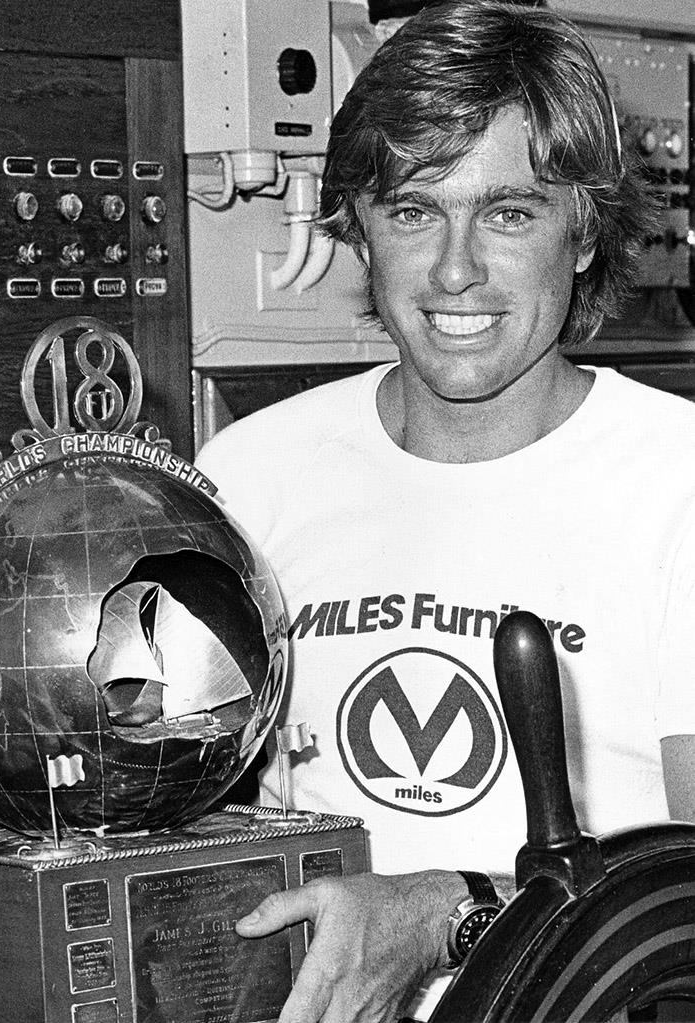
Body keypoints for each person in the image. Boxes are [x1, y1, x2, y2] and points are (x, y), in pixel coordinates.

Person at [195, 2, 695, 1020]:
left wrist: (451, 913)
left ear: (584, 234)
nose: (455, 268)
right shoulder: (248, 474)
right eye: (413, 209)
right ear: (359, 231)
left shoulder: (674, 484)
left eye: (509, 213)